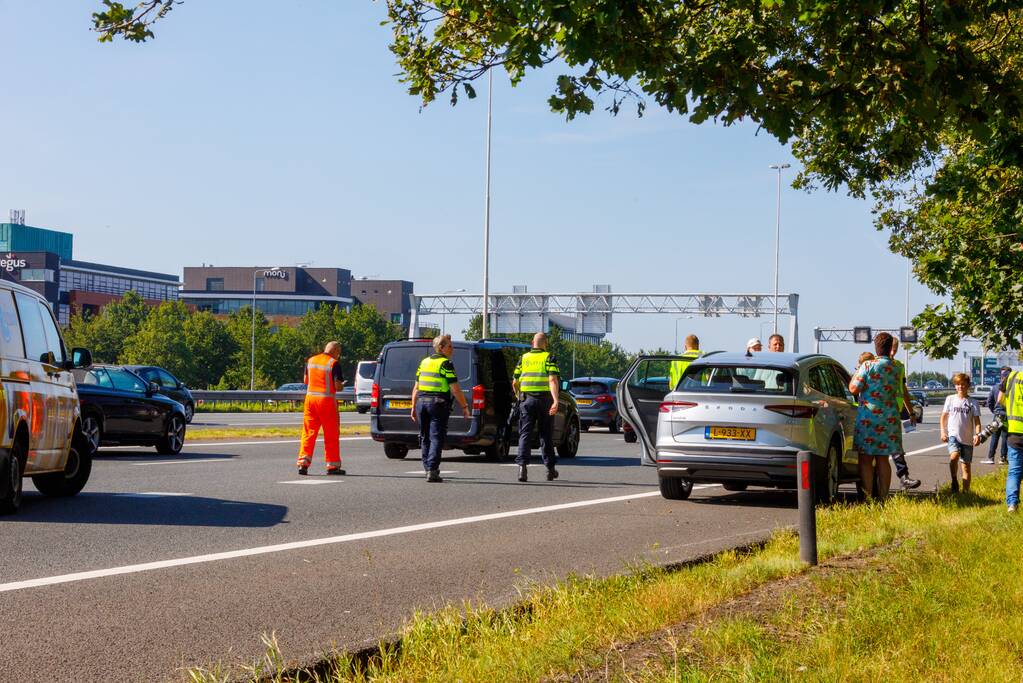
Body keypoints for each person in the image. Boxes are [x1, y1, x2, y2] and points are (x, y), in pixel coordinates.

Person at [848, 332, 903, 499]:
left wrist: (857, 372)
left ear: (876, 347)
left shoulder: (868, 366)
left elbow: (853, 389)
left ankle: (868, 497)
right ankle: (884, 497)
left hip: (869, 418)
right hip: (890, 419)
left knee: (866, 459)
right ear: (890, 347)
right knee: (883, 459)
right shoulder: (897, 367)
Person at [410, 334, 470, 483]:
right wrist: (464, 406)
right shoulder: (445, 364)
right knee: (436, 437)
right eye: (450, 346)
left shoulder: (424, 362)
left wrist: (413, 407)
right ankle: (432, 470)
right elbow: (455, 389)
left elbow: (416, 388)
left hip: (421, 403)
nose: (452, 349)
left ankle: (427, 468)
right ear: (441, 348)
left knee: (424, 437)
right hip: (437, 404)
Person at [513, 332, 561, 482]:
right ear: (545, 343)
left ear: (532, 343)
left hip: (527, 400)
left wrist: (519, 396)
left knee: (525, 434)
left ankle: (522, 469)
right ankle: (550, 469)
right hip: (545, 400)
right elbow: (552, 380)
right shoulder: (549, 357)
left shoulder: (523, 358)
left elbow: (514, 382)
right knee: (546, 435)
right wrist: (556, 400)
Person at [297, 341, 345, 476]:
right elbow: (337, 386)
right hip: (326, 401)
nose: (338, 356)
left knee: (308, 433)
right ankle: (332, 466)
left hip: (310, 400)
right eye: (339, 353)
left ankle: (303, 463)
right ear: (335, 351)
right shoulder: (334, 363)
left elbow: (306, 381)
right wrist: (342, 386)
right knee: (331, 434)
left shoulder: (311, 360)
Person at [886, 338, 922, 490]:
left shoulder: (898, 366)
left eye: (895, 349)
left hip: (894, 412)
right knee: (879, 451)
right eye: (891, 349)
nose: (893, 352)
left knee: (896, 447)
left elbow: (903, 390)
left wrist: (910, 412)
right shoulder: (874, 364)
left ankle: (904, 477)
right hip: (878, 413)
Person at [940, 373, 982, 493]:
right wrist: (943, 432)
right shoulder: (950, 399)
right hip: (953, 435)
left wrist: (977, 435)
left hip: (967, 439)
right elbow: (943, 417)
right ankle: (954, 480)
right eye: (958, 384)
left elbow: (977, 422)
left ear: (968, 385)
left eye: (963, 384)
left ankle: (965, 493)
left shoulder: (973, 402)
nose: (960, 387)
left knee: (966, 467)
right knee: (954, 456)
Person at [996, 368, 1023, 512]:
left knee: (1014, 471)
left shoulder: (1011, 377)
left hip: (1014, 432)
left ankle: (1012, 504)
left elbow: (1000, 399)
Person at [983, 367, 1011, 465]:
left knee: (994, 436)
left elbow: (989, 402)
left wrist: (994, 411)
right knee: (1005, 437)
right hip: (1007, 416)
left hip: (997, 415)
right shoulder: (1011, 388)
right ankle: (1003, 458)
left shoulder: (995, 387)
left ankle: (990, 457)